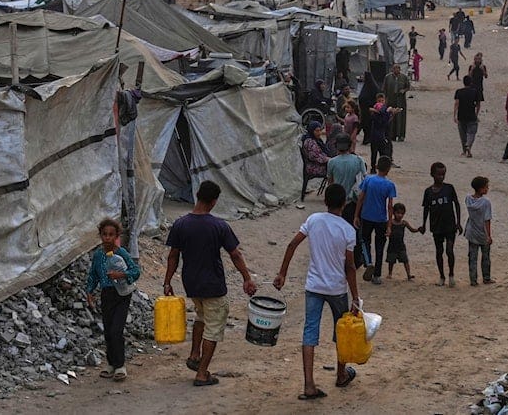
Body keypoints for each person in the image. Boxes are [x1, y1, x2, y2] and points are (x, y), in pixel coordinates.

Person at [163, 181, 258, 387]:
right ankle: (202, 373)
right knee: (213, 328)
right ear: (214, 201)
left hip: (191, 283)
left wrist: (167, 282)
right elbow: (235, 254)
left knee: (201, 317)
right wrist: (247, 278)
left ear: (197, 195)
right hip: (213, 285)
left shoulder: (180, 224)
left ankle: (195, 354)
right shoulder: (219, 226)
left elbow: (173, 256)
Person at [273, 183, 360, 400]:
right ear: (344, 203)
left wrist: (282, 273)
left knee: (310, 331)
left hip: (314, 285)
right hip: (336, 288)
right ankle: (341, 374)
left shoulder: (313, 220)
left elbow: (292, 245)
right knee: (341, 331)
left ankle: (309, 384)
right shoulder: (348, 230)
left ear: (325, 201)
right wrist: (356, 296)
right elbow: (350, 267)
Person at [86, 217, 141, 382]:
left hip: (122, 294)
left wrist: (121, 274)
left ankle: (120, 365)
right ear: (100, 235)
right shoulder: (98, 256)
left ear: (116, 235)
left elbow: (135, 271)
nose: (107, 238)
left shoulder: (121, 253)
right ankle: (110, 364)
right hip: (107, 294)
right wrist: (90, 292)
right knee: (108, 330)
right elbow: (93, 274)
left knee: (117, 330)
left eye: (111, 234)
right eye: (104, 234)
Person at [353, 155, 397, 285]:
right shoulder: (389, 185)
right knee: (380, 246)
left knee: (364, 240)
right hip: (381, 219)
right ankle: (377, 275)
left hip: (366, 216)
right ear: (388, 169)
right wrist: (389, 224)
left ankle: (368, 261)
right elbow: (390, 206)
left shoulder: (368, 180)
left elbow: (361, 198)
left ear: (377, 167)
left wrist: (356, 215)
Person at [420, 162, 462, 287]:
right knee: (439, 251)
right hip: (436, 225)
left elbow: (457, 204)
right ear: (432, 175)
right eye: (439, 174)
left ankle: (451, 275)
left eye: (443, 174)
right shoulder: (428, 192)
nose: (441, 177)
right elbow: (426, 209)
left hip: (450, 225)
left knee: (449, 250)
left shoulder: (449, 188)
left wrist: (458, 222)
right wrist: (424, 225)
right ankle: (442, 276)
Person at [465, 176, 493, 286]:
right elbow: (487, 220)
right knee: (485, 257)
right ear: (481, 189)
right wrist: (489, 236)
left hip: (471, 231)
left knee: (472, 257)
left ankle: (473, 279)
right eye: (486, 187)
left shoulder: (468, 198)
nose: (487, 189)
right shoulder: (486, 202)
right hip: (482, 232)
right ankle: (486, 278)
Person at [386, 202, 420, 280]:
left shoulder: (404, 223)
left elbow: (412, 230)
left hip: (401, 246)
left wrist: (418, 230)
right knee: (391, 261)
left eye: (402, 213)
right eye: (398, 213)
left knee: (405, 261)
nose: (400, 215)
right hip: (392, 246)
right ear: (394, 213)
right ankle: (390, 273)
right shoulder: (390, 223)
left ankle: (408, 275)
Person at [301, 121, 332, 204]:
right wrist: (331, 160)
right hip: (314, 166)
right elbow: (315, 157)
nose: (319, 133)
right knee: (335, 170)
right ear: (311, 131)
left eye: (320, 130)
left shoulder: (316, 140)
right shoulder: (310, 142)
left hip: (319, 164)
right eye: (317, 131)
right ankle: (331, 197)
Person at [368, 93, 400, 173]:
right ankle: (374, 168)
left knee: (380, 153)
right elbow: (383, 122)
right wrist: (389, 112)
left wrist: (391, 114)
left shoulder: (380, 112)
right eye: (379, 101)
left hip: (380, 136)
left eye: (382, 101)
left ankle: (377, 168)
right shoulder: (376, 113)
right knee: (375, 153)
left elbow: (387, 122)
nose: (381, 103)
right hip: (377, 136)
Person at [453, 75, 480, 158]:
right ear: (471, 82)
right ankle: (468, 146)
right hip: (471, 115)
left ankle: (465, 151)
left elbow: (456, 104)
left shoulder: (459, 92)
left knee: (463, 134)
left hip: (461, 115)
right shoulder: (475, 91)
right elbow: (478, 105)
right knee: (471, 133)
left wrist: (454, 115)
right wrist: (476, 114)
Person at [382, 64, 410, 142]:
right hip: (391, 100)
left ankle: (401, 135)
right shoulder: (388, 77)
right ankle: (392, 135)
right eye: (394, 69)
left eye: (398, 69)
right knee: (391, 117)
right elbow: (384, 89)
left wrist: (403, 90)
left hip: (401, 101)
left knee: (401, 117)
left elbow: (408, 86)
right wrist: (385, 100)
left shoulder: (404, 77)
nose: (396, 70)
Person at [358, 72, 379, 146]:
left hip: (369, 110)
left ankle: (369, 139)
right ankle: (367, 139)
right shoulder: (365, 86)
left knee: (368, 125)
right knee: (365, 125)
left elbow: (375, 98)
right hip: (364, 110)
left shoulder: (372, 87)